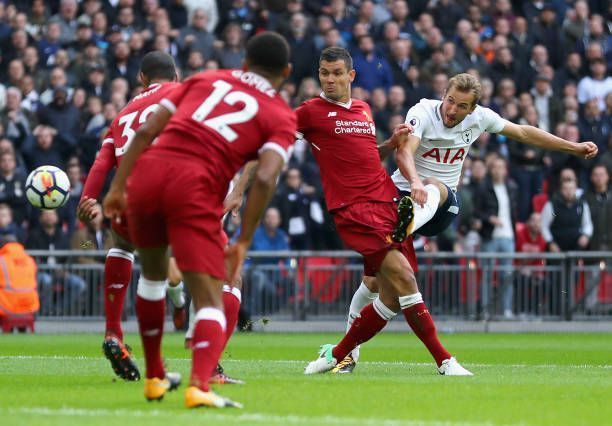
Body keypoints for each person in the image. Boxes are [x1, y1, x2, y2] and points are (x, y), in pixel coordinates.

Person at [340, 72, 598, 372]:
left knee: (436, 186)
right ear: (443, 94)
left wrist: (573, 147)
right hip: (398, 199)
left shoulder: (481, 118)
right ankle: (346, 353)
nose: (452, 110)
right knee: (374, 284)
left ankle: (409, 223)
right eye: (450, 101)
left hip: (440, 206)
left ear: (472, 110)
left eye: (461, 106)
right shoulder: (422, 112)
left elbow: (525, 133)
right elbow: (405, 152)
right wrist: (414, 183)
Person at [103, 32, 296, 408]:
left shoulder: (204, 80)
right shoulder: (279, 114)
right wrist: (243, 239)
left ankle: (156, 377)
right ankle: (199, 385)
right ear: (286, 72)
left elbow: (146, 131)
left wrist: (117, 187)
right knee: (211, 291)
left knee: (154, 277)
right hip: (193, 188)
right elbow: (268, 176)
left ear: (243, 64)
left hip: (146, 177)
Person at [299, 47, 471, 377]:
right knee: (405, 279)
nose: (330, 79)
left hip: (387, 202)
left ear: (351, 76)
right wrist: (239, 187)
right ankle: (445, 361)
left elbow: (365, 157)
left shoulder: (363, 110)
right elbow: (271, 145)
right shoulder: (310, 112)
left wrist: (389, 145)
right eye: (324, 73)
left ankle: (337, 355)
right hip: (355, 209)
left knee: (389, 295)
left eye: (336, 73)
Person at [76, 51, 184, 382]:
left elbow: (101, 160)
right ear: (175, 76)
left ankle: (113, 332)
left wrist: (87, 199)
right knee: (171, 273)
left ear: (141, 79)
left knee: (121, 245)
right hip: (167, 189)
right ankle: (177, 319)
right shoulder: (180, 94)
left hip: (125, 197)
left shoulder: (123, 113)